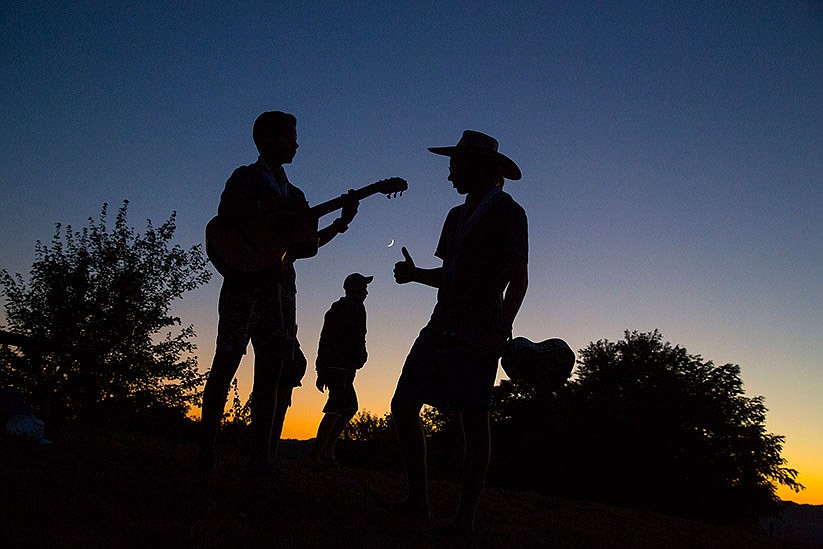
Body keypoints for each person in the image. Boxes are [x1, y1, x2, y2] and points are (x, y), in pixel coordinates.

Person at [199, 111, 360, 478]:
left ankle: (261, 460)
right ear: (265, 140)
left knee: (272, 372)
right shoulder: (245, 178)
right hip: (243, 285)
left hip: (281, 292)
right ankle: (206, 450)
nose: (296, 143)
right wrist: (273, 212)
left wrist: (341, 222)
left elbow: (306, 245)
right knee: (225, 363)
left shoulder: (298, 195)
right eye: (289, 136)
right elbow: (228, 215)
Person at [391, 130, 528, 535]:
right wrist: (416, 275)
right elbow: (450, 275)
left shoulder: (510, 212)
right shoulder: (455, 216)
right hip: (440, 323)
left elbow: (518, 280)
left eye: (456, 167)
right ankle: (419, 498)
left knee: (474, 415)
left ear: (481, 169)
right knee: (403, 404)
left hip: (481, 326)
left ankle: (465, 517)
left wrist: (502, 329)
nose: (450, 176)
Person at [309, 273, 372, 467]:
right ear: (354, 288)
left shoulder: (338, 309)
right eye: (364, 287)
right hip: (340, 367)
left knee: (347, 406)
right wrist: (359, 356)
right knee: (337, 408)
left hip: (340, 367)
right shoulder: (352, 308)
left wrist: (321, 370)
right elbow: (347, 338)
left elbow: (324, 339)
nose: (366, 291)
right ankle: (316, 456)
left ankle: (327, 451)